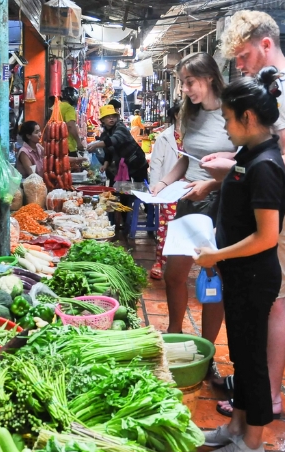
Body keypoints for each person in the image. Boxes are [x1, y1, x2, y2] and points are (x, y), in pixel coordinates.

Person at [206, 10, 285, 421]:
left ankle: (264, 399)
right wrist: (231, 165)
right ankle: (252, 395)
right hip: (264, 210)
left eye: (244, 55)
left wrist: (234, 169)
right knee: (256, 314)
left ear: (267, 44)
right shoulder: (272, 90)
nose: (240, 64)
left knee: (271, 305)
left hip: (280, 215)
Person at [195, 67, 285, 452]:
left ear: (248, 118)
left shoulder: (266, 165)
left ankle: (253, 445)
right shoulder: (249, 155)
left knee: (251, 360)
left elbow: (268, 236)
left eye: (229, 120)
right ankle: (235, 427)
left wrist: (217, 256)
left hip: (254, 275)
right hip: (240, 272)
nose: (227, 129)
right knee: (240, 353)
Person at [151, 52, 237, 343]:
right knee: (173, 275)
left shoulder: (233, 111)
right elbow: (186, 160)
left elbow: (246, 163)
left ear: (209, 77)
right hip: (190, 202)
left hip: (224, 204)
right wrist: (163, 182)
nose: (185, 90)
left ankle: (207, 347)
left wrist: (212, 185)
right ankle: (174, 333)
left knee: (213, 280)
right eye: (182, 83)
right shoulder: (189, 113)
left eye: (190, 82)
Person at [149, 102, 182, 279]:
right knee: (165, 227)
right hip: (169, 189)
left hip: (191, 189)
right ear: (177, 115)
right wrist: (156, 189)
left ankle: (179, 264)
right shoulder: (165, 137)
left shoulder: (195, 136)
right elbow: (156, 164)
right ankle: (160, 262)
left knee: (186, 227)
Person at [87, 104, 148, 182]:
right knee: (125, 191)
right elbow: (108, 153)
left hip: (137, 162)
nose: (111, 118)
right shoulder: (104, 134)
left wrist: (95, 145)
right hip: (125, 166)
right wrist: (105, 165)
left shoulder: (120, 127)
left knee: (141, 188)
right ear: (102, 120)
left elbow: (114, 139)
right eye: (108, 116)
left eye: (113, 116)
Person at [49, 87, 86, 157]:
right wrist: (78, 141)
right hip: (68, 146)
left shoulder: (55, 106)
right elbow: (70, 125)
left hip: (55, 145)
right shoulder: (69, 108)